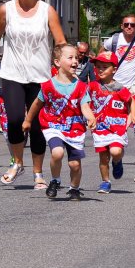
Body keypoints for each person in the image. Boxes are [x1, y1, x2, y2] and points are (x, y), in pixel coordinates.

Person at [0, 0, 67, 189]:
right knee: (14, 120)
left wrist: (64, 65)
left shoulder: (47, 11)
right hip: (12, 74)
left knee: (37, 126)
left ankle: (38, 173)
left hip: (40, 77)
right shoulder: (6, 10)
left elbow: (60, 41)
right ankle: (17, 163)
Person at [23, 43, 96, 200]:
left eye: (76, 58)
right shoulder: (48, 86)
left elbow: (85, 106)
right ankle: (55, 180)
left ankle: (74, 188)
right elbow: (36, 104)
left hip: (74, 128)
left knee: (75, 164)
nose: (75, 61)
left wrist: (91, 117)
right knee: (57, 152)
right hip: (53, 125)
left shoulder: (81, 87)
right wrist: (28, 120)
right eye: (70, 58)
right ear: (57, 62)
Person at [88, 50, 131, 193]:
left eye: (105, 67)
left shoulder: (120, 88)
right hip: (100, 128)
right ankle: (105, 182)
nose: (100, 70)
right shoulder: (92, 86)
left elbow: (131, 102)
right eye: (98, 67)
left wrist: (131, 118)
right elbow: (85, 101)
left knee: (115, 151)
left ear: (114, 70)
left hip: (117, 127)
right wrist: (88, 117)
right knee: (103, 157)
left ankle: (117, 161)